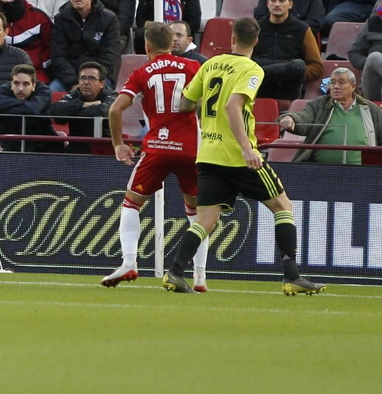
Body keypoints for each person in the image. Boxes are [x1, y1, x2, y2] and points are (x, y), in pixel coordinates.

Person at [170, 17, 325, 294]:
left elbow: (185, 102)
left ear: (231, 39)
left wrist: (205, 113)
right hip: (237, 156)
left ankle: (175, 272)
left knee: (206, 220)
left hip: (208, 153)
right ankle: (292, 275)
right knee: (282, 206)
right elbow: (233, 106)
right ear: (256, 41)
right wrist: (246, 148)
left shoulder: (210, 65)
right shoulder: (252, 69)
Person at [104, 21, 205, 287]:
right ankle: (200, 277)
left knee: (131, 203)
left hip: (158, 148)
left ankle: (128, 263)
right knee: (197, 214)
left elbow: (115, 110)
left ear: (147, 46)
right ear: (172, 43)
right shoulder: (194, 67)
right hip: (192, 150)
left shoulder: (142, 72)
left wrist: (118, 144)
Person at [279, 66, 382, 164]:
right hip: (320, 170)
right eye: (332, 83)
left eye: (341, 83)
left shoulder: (370, 109)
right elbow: (304, 117)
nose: (336, 87)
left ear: (353, 86)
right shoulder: (319, 104)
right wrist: (291, 118)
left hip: (363, 172)